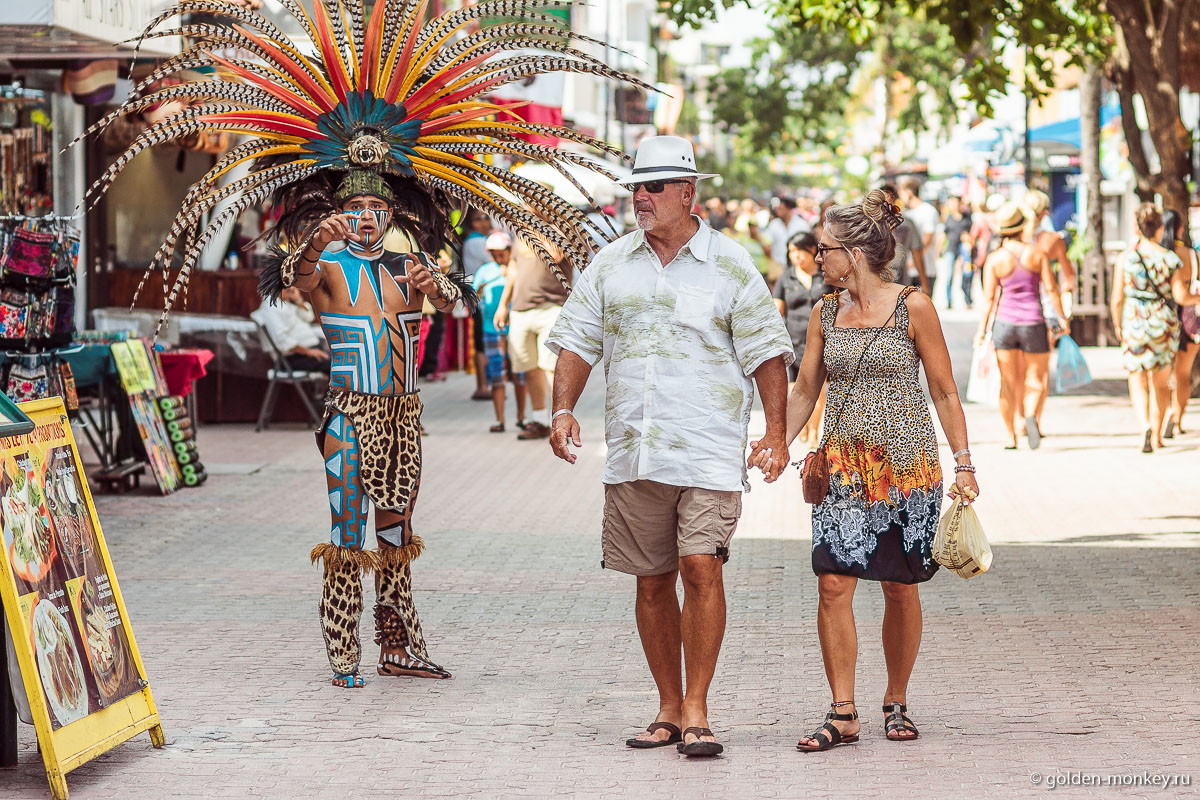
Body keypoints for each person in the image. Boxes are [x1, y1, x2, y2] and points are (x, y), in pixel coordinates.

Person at [81, 0, 654, 691]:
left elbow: (453, 306)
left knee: (396, 534)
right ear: (335, 211)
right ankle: (342, 648)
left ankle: (400, 643)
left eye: (375, 212)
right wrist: (311, 244)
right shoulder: (327, 270)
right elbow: (294, 280)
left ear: (393, 213)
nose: (364, 221)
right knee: (348, 530)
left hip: (403, 413)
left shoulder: (403, 271)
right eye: (353, 211)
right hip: (350, 412)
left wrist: (437, 284)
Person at [546, 135, 793, 758]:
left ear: (688, 192)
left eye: (654, 187)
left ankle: (698, 708)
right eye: (636, 187)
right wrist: (562, 409)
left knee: (700, 565)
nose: (641, 198)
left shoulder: (731, 264)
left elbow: (767, 352)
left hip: (709, 448)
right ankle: (665, 706)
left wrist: (773, 433)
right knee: (651, 581)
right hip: (633, 448)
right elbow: (577, 341)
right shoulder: (611, 263)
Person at [778, 189, 978, 753]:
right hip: (843, 466)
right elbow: (805, 387)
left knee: (898, 587)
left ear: (856, 254)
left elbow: (942, 388)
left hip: (907, 469)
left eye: (825, 250)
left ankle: (896, 698)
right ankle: (842, 711)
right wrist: (775, 441)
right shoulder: (823, 311)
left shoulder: (913, 306)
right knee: (833, 582)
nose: (818, 260)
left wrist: (964, 464)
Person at [975, 203, 1068, 450]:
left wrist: (981, 331)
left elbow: (988, 299)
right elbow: (1051, 289)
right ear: (1020, 227)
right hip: (1033, 323)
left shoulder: (995, 259)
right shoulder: (1036, 254)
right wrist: (1061, 319)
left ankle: (1010, 436)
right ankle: (1029, 415)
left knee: (1008, 382)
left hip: (1004, 325)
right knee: (1036, 379)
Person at [1111, 203, 1200, 452]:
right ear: (1160, 228)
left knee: (1137, 378)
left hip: (1134, 321)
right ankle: (1157, 432)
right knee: (1160, 382)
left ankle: (1144, 427)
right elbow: (1181, 296)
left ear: (1137, 227)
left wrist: (1118, 325)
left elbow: (1117, 298)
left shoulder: (1125, 258)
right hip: (1162, 322)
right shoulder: (1169, 258)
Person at [493, 235, 570, 440]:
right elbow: (513, 270)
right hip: (521, 309)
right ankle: (540, 421)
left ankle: (560, 422)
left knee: (552, 367)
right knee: (529, 368)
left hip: (551, 306)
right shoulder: (520, 234)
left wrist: (537, 229)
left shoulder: (557, 229)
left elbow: (555, 255)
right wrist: (503, 305)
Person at [1021, 189, 1077, 431]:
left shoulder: (1012, 241)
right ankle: (1034, 418)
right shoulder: (1053, 240)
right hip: (1046, 309)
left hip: (1015, 310)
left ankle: (1018, 423)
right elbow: (1069, 277)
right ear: (1045, 212)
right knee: (1040, 371)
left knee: (1020, 372)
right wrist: (1065, 308)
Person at [773, 231, 826, 446]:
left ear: (812, 250)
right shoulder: (786, 277)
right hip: (792, 341)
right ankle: (802, 426)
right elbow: (777, 308)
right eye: (791, 252)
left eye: (799, 251)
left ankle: (814, 429)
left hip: (821, 341)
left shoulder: (825, 275)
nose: (795, 256)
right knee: (794, 389)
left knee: (819, 389)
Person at [472, 232, 528, 432]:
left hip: (516, 326)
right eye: (494, 254)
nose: (498, 258)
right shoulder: (486, 271)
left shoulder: (517, 269)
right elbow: (473, 296)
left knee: (519, 374)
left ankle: (521, 417)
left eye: (501, 253)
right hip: (491, 327)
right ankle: (500, 420)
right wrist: (480, 289)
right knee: (497, 375)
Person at [1161, 209, 1200, 438]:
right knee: (1182, 374)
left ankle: (1162, 415)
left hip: (1161, 318)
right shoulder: (1191, 255)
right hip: (1188, 319)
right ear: (1180, 228)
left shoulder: (1158, 254)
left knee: (1162, 375)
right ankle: (1176, 420)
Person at [251, 286, 331, 372]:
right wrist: (309, 352)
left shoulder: (287, 303)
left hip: (310, 350)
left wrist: (298, 300)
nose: (289, 290)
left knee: (343, 360)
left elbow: (309, 317)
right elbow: (282, 341)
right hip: (293, 357)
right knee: (338, 366)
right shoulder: (271, 308)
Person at [460, 209, 495, 402]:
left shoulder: (474, 241)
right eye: (480, 218)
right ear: (472, 223)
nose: (486, 222)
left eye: (486, 217)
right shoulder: (477, 242)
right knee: (482, 343)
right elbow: (495, 260)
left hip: (479, 297)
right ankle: (483, 385)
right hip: (481, 298)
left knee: (483, 341)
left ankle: (487, 384)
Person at [880, 184, 927, 292]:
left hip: (902, 283)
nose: (886, 205)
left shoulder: (906, 223)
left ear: (894, 200)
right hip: (878, 285)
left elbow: (917, 253)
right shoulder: (870, 224)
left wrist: (924, 283)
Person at [898, 177, 939, 298]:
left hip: (926, 269)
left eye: (902, 194)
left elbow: (927, 239)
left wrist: (913, 261)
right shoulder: (906, 213)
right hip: (909, 272)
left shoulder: (927, 211)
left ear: (909, 193)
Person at [936, 196, 972, 309]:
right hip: (951, 249)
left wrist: (968, 239)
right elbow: (943, 234)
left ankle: (968, 300)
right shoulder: (948, 218)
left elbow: (972, 233)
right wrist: (938, 249)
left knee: (967, 274)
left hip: (964, 249)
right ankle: (949, 301)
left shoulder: (967, 217)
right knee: (949, 276)